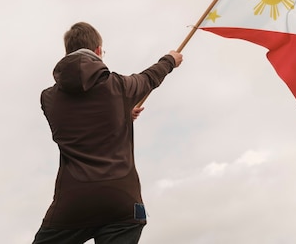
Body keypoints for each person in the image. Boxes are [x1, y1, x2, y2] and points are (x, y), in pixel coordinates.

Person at [32, 22, 183, 244]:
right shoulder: (119, 87)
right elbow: (150, 77)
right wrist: (170, 60)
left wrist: (121, 114)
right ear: (98, 51)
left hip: (74, 203)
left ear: (67, 52)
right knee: (131, 219)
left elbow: (79, 125)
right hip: (122, 201)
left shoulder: (48, 98)